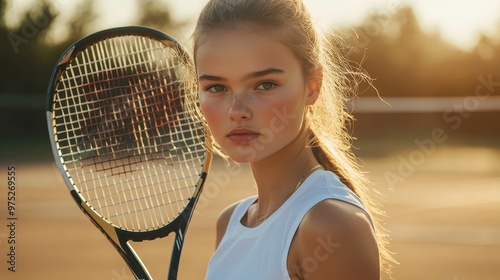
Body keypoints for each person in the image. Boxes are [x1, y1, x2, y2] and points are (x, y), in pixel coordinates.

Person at [189, 0, 394, 278]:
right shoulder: (229, 222)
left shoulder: (331, 225)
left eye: (265, 85)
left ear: (312, 86)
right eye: (216, 87)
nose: (236, 111)